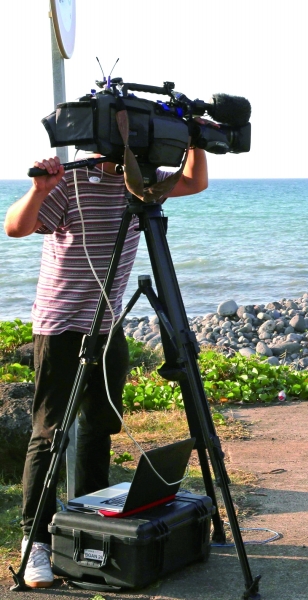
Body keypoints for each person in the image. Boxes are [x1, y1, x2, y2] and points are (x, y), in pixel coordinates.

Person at [3, 148, 208, 588]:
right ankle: (34, 541)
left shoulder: (143, 181)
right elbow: (15, 227)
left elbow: (195, 182)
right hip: (60, 325)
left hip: (108, 326)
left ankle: (84, 526)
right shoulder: (72, 181)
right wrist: (39, 190)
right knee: (49, 432)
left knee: (99, 426)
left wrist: (195, 138)